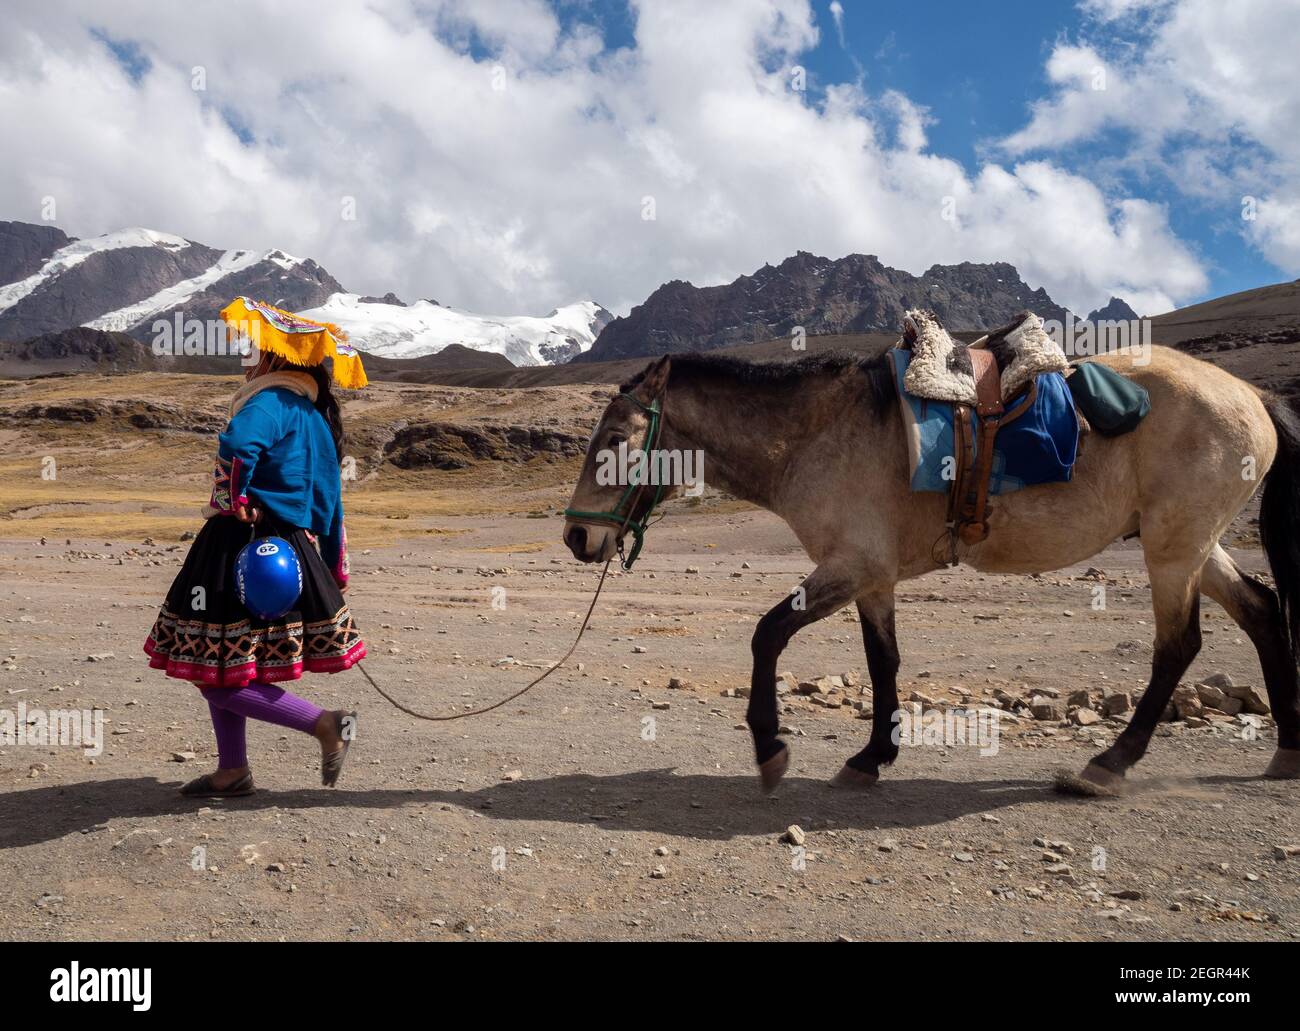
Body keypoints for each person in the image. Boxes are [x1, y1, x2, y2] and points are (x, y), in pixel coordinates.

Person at [144, 318, 367, 798]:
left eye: (253, 346)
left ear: (274, 355)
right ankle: (232, 771)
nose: (245, 353)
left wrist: (233, 498)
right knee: (225, 664)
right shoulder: (315, 417)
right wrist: (331, 566)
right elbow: (331, 503)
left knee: (215, 673)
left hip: (240, 545)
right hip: (294, 552)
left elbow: (239, 444)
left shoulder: (269, 400)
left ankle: (325, 724)